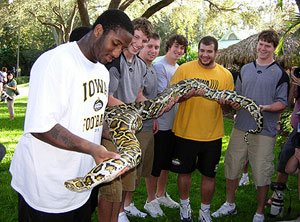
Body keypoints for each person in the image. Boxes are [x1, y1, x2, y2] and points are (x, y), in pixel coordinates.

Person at [9, 9, 134, 222]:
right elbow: (42, 126)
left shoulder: (101, 72)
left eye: (122, 48)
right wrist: (91, 148)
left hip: (82, 185)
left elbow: (90, 117)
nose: (116, 54)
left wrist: (116, 133)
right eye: (115, 43)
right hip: (46, 188)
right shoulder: (55, 62)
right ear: (98, 30)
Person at [212, 30, 289, 222]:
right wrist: (234, 103)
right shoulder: (246, 69)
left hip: (265, 132)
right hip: (240, 127)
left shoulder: (280, 74)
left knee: (262, 172)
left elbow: (283, 103)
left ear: (274, 49)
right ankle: (230, 204)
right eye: (261, 44)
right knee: (232, 166)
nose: (263, 48)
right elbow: (237, 95)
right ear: (257, 44)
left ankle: (260, 212)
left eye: (268, 46)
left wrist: (264, 108)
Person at [170, 36, 234, 222]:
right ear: (198, 50)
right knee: (184, 172)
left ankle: (204, 211)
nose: (204, 55)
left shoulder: (225, 75)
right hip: (185, 131)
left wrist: (225, 103)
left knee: (209, 175)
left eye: (209, 51)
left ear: (216, 52)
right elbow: (172, 97)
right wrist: (186, 95)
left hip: (212, 135)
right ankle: (185, 206)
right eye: (202, 51)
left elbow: (228, 106)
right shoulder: (184, 69)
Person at [97, 17, 154, 222]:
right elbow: (107, 97)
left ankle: (119, 215)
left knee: (125, 184)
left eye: (144, 41)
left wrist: (153, 105)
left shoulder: (141, 65)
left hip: (131, 131)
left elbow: (138, 94)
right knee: (111, 187)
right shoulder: (114, 61)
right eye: (136, 37)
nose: (138, 44)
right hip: (112, 131)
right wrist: (130, 111)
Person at [142, 34, 188, 218]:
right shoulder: (159, 66)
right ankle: (150, 200)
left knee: (166, 163)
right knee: (155, 164)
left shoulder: (179, 68)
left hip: (173, 124)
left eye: (182, 48)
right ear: (168, 46)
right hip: (159, 124)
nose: (178, 51)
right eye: (176, 46)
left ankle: (161, 195)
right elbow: (162, 94)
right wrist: (186, 94)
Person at [267, 66, 300, 210]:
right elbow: (288, 101)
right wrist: (293, 82)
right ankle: (277, 199)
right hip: (296, 131)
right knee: (284, 162)